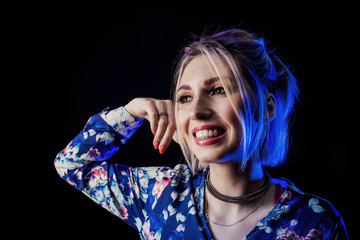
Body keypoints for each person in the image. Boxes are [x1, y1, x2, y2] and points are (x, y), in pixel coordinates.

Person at [54, 28, 348, 239]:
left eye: (218, 89)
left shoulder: (315, 222)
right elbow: (71, 165)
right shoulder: (160, 195)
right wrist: (130, 112)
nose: (196, 111)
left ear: (267, 106)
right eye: (184, 98)